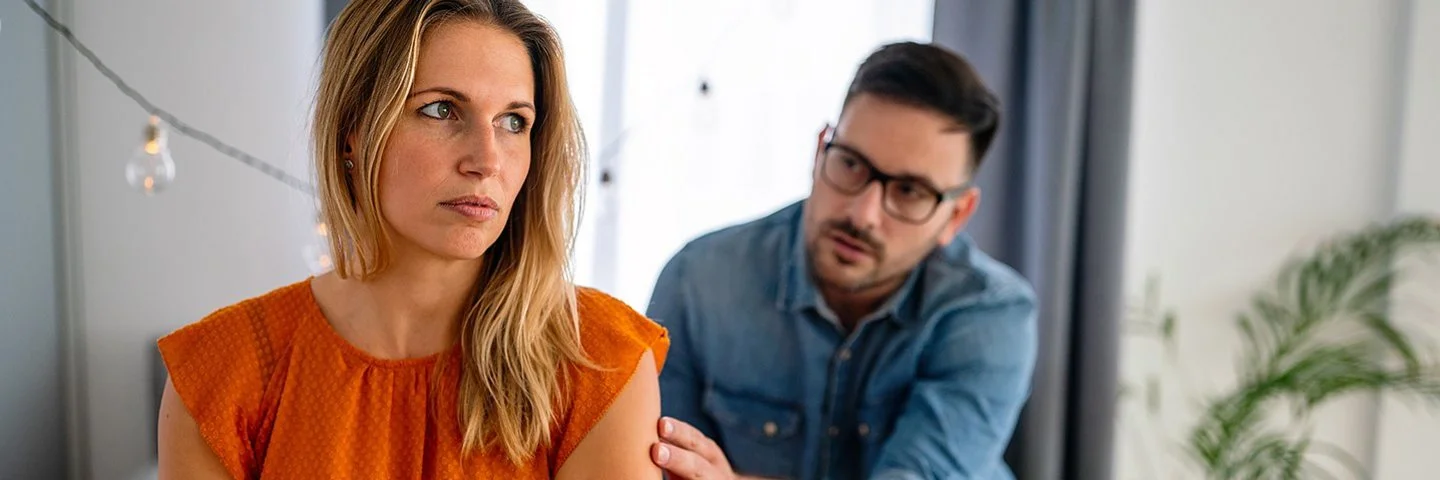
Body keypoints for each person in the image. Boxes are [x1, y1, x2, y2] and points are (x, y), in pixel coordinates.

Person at [155, 1, 668, 478]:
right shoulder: (220, 374)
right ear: (352, 130)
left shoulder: (599, 362)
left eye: (514, 121)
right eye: (442, 110)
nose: (487, 161)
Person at [646, 42, 1037, 480]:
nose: (862, 214)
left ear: (957, 215)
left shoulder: (990, 312)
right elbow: (659, 468)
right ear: (819, 153)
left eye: (909, 192)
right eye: (850, 164)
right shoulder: (699, 281)